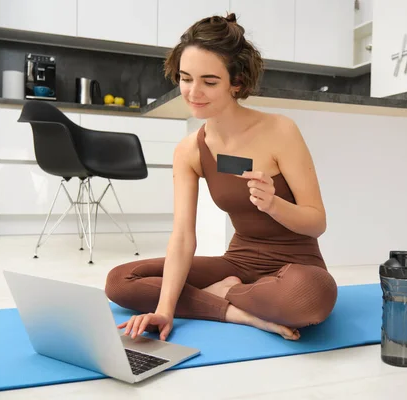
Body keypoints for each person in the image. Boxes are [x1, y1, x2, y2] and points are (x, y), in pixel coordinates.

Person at [105, 13, 337, 342]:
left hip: (297, 266)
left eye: (209, 81)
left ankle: (224, 295)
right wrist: (165, 309)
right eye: (186, 78)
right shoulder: (189, 151)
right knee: (120, 280)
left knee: (308, 298)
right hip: (237, 263)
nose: (193, 92)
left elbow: (317, 222)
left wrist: (274, 205)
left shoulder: (280, 130)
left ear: (236, 82)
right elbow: (183, 236)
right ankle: (235, 308)